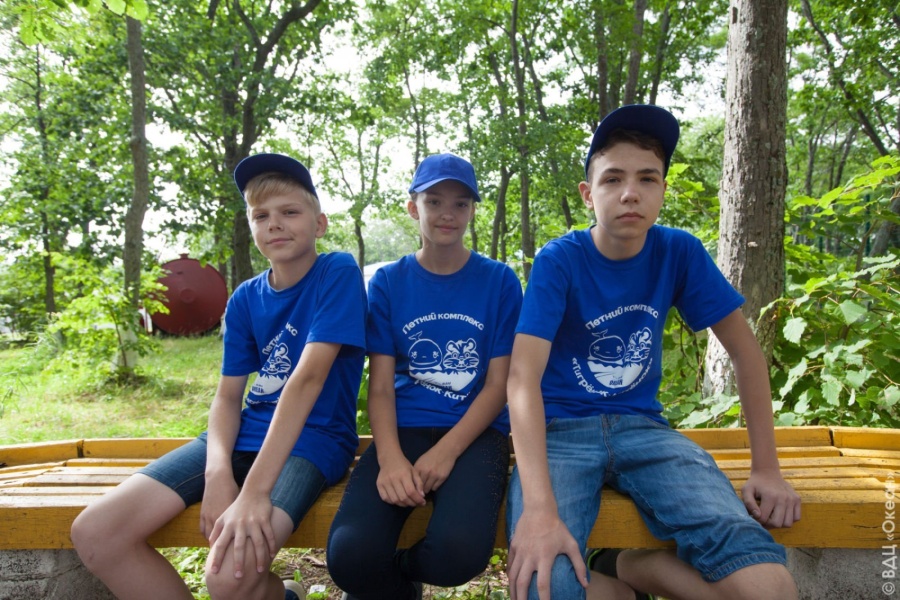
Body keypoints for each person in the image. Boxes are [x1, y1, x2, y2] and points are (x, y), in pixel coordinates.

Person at [504, 105, 802, 600]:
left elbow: (746, 353)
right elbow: (521, 379)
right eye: (612, 179)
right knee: (543, 586)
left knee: (770, 588)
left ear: (663, 189)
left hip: (644, 431)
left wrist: (767, 469)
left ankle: (633, 566)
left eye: (647, 178)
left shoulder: (677, 252)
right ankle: (618, 581)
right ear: (588, 193)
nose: (630, 193)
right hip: (561, 435)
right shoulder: (561, 260)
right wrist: (538, 510)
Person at [71, 153, 367, 600]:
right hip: (242, 435)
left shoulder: (336, 271)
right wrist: (217, 474)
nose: (275, 224)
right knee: (96, 533)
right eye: (261, 216)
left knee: (230, 579)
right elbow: (228, 398)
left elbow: (307, 379)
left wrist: (253, 493)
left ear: (320, 224)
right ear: (251, 227)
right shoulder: (246, 298)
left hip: (313, 439)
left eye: (290, 212)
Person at [326, 153, 523, 600]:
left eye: (460, 204)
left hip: (476, 433)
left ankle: (400, 573)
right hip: (404, 429)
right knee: (349, 556)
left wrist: (446, 452)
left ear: (472, 211)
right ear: (413, 207)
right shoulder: (389, 282)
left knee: (458, 554)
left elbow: (499, 385)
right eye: (434, 202)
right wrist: (391, 458)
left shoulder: (499, 281)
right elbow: (380, 387)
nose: (447, 214)